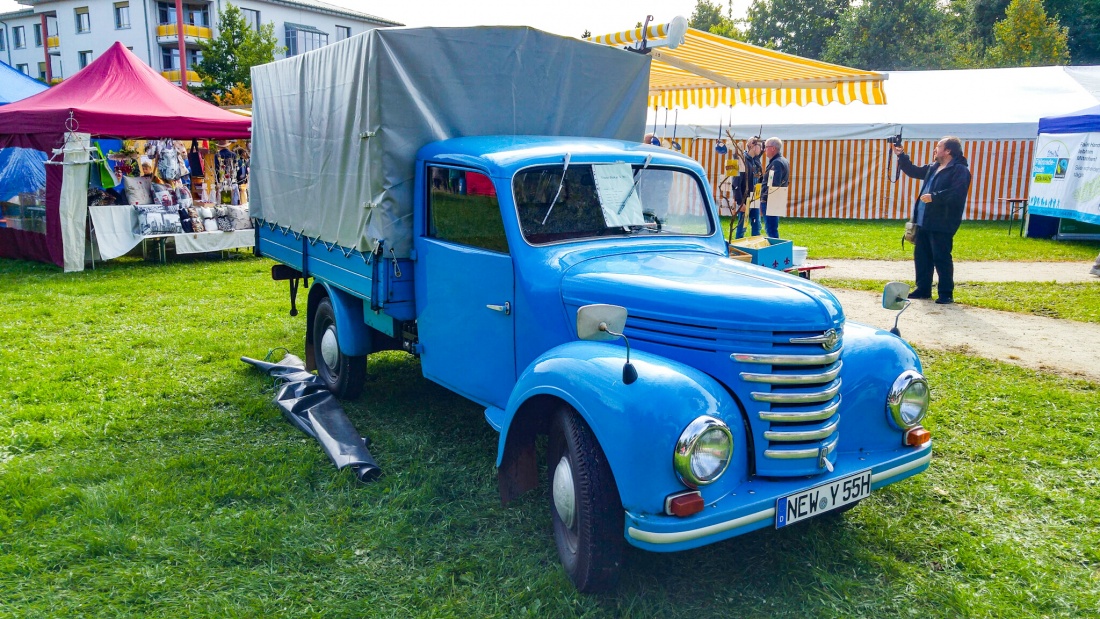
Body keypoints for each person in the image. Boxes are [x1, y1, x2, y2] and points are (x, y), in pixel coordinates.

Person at [893, 136, 972, 304]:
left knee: (941, 257)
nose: (935, 149)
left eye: (938, 146)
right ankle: (923, 289)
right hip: (924, 220)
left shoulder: (960, 170)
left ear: (948, 150)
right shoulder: (934, 167)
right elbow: (913, 171)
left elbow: (957, 193)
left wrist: (934, 197)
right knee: (922, 256)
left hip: (942, 222)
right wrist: (901, 156)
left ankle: (946, 293)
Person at [731, 137, 763, 238]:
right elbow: (736, 182)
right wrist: (740, 202)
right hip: (745, 199)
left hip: (755, 197)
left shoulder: (756, 160)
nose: (762, 149)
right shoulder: (741, 159)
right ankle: (737, 250)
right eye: (759, 146)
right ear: (752, 146)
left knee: (757, 226)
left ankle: (755, 249)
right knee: (741, 228)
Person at [761, 137, 789, 239]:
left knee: (771, 229)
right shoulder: (783, 160)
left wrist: (763, 198)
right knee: (772, 228)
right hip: (776, 198)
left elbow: (773, 184)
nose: (764, 150)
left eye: (766, 147)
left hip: (771, 200)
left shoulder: (776, 162)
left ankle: (775, 252)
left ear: (773, 148)